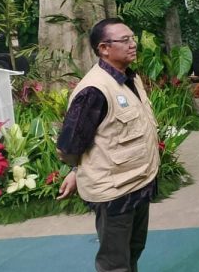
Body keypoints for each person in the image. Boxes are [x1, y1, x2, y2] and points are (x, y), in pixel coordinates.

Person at [57, 18, 160, 272]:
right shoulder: (94, 91)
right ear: (104, 48)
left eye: (132, 38)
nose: (133, 44)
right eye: (124, 40)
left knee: (133, 251)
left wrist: (76, 171)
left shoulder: (129, 79)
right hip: (115, 193)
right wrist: (77, 170)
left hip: (138, 185)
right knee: (114, 263)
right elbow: (69, 146)